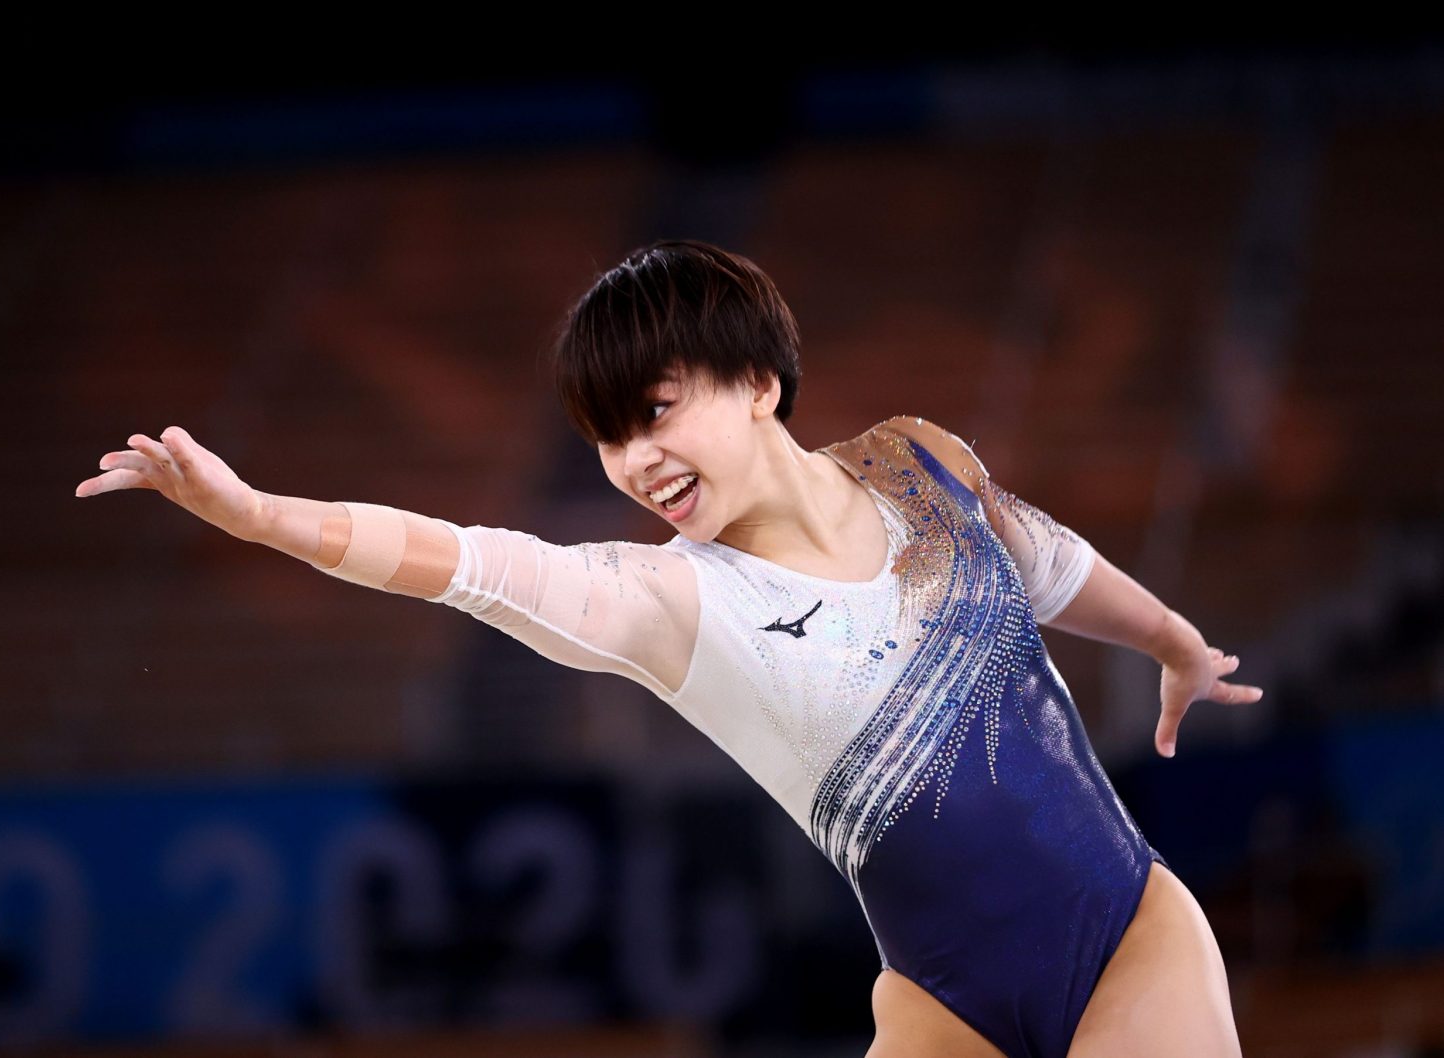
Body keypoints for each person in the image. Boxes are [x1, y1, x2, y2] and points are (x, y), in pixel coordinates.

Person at [75, 239, 1257, 1057]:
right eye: (606, 437)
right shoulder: (674, 599)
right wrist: (264, 516)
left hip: (1126, 936)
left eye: (654, 409)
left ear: (756, 379)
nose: (635, 463)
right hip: (944, 1003)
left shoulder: (919, 459)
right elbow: (468, 558)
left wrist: (1172, 639)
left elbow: (1048, 561)